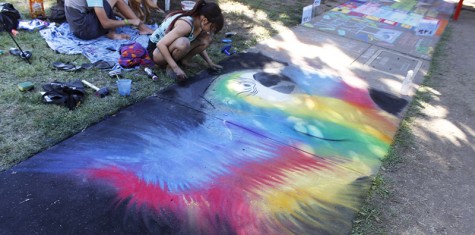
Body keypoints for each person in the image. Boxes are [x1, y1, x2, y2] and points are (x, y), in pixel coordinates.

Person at [147, 0, 224, 81]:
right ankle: (170, 67)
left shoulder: (199, 24)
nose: (210, 31)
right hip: (156, 51)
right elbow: (160, 44)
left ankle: (185, 61)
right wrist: (175, 68)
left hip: (168, 47)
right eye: (212, 28)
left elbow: (200, 43)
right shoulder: (185, 25)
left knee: (206, 39)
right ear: (205, 20)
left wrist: (210, 62)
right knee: (183, 42)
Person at [64, 0, 154, 40]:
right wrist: (129, 21)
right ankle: (142, 28)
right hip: (85, 30)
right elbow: (105, 23)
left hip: (76, 28)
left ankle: (112, 33)